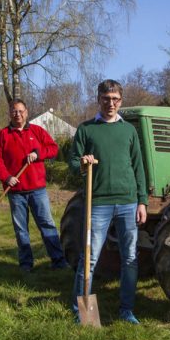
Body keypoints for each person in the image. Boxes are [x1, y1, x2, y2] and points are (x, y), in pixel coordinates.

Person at [69, 79, 148, 324]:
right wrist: (83, 163)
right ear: (99, 99)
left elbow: (138, 167)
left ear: (120, 101)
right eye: (106, 98)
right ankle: (79, 310)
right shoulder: (86, 129)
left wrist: (142, 201)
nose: (110, 103)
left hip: (127, 202)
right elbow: (72, 164)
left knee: (130, 258)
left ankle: (126, 309)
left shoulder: (128, 130)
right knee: (89, 258)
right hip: (98, 203)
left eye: (115, 99)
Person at [0, 98, 68, 272]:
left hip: (37, 190)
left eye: (20, 111)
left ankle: (58, 261)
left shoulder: (37, 131)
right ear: (10, 113)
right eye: (14, 111)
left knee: (47, 225)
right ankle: (26, 264)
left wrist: (38, 153)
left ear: (26, 112)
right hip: (15, 191)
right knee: (21, 230)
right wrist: (7, 177)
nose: (17, 114)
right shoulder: (3, 135)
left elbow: (53, 149)